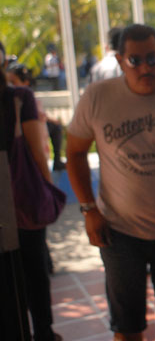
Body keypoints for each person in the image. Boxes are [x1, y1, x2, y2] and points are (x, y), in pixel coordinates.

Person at [65, 24, 155, 341]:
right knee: (127, 323)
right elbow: (74, 152)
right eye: (134, 60)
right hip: (120, 231)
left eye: (152, 58)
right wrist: (89, 210)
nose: (145, 67)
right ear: (120, 60)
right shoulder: (98, 97)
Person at [1, 66, 61, 341]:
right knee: (35, 270)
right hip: (23, 201)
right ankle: (43, 332)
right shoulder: (18, 98)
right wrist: (46, 189)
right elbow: (38, 151)